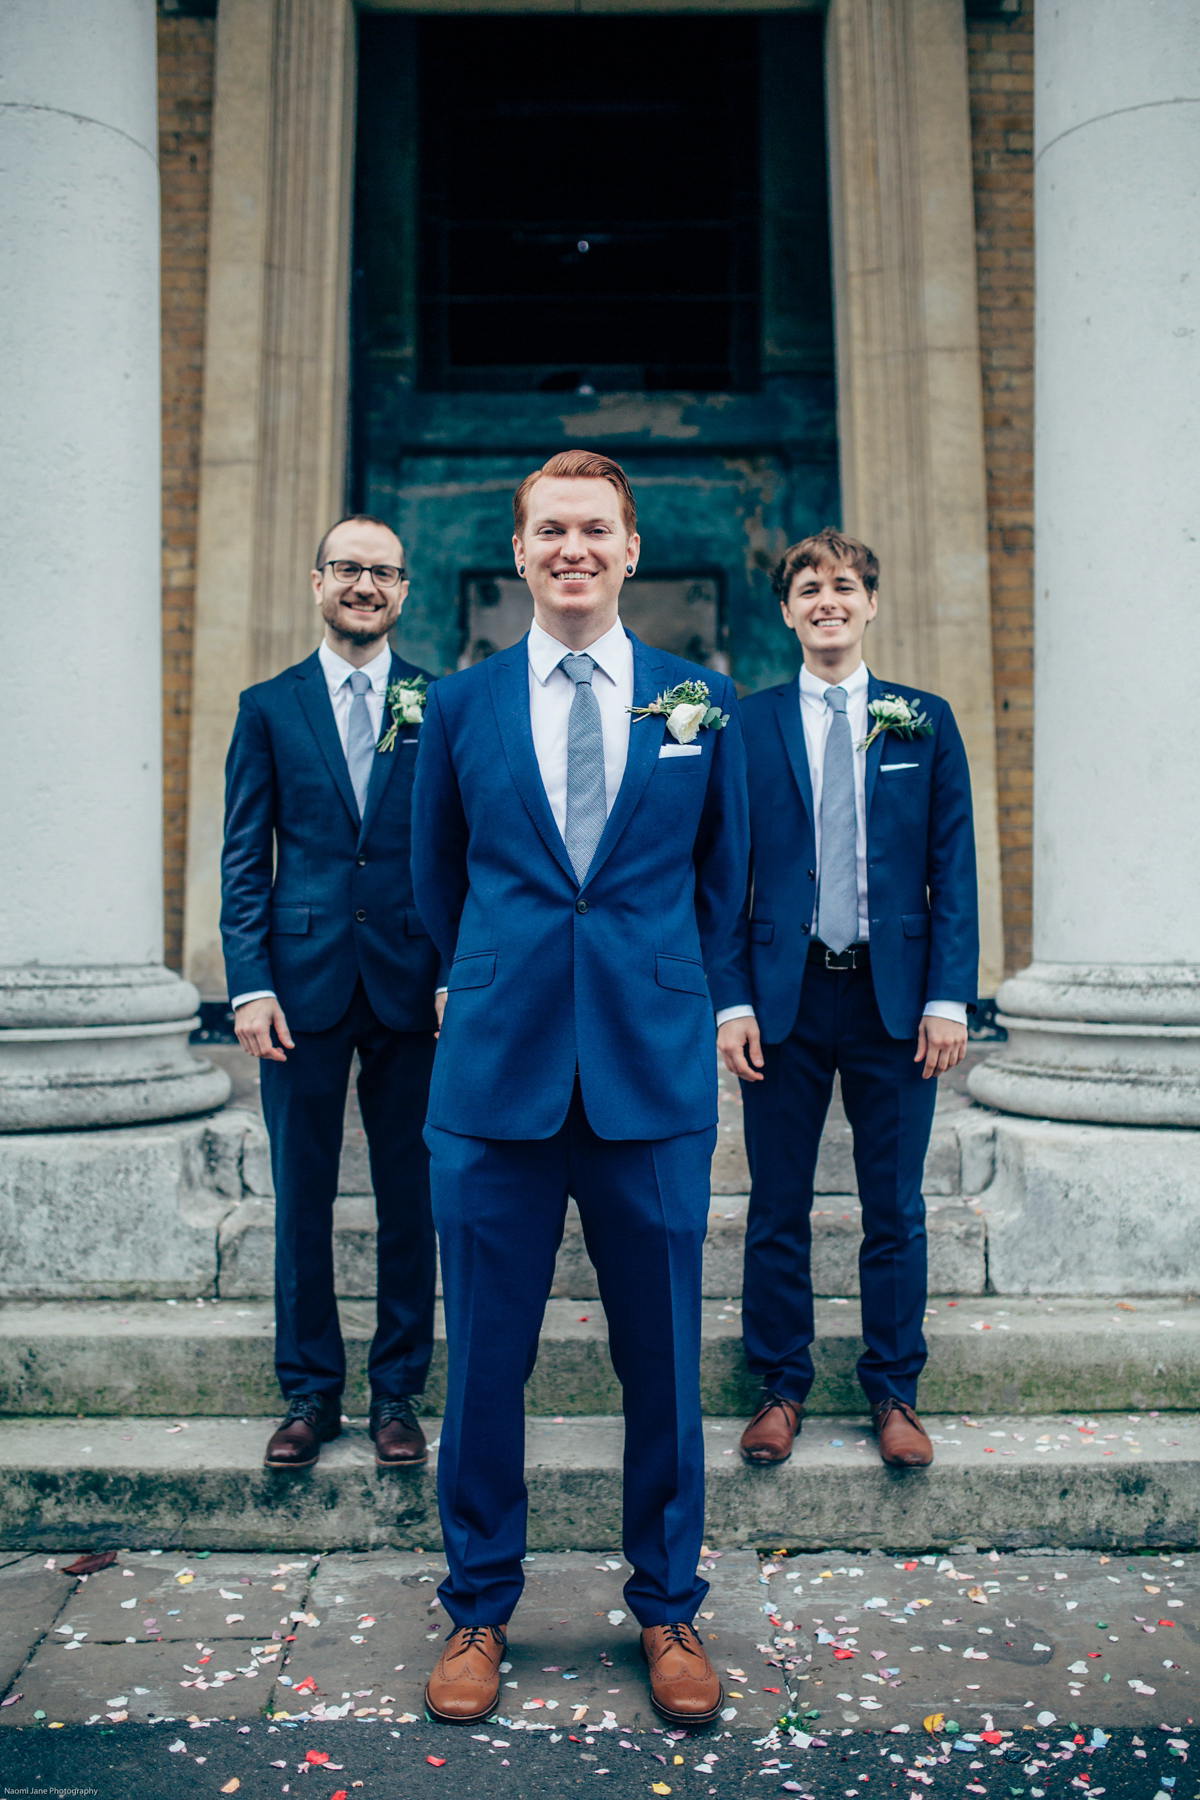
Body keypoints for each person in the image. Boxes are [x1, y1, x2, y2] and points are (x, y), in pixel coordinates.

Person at [410, 450, 749, 1728]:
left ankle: (668, 1606)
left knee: (660, 1359)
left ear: (630, 547)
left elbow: (724, 876)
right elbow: (435, 874)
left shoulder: (699, 701)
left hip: (649, 1072)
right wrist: (483, 974)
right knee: (485, 1362)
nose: (572, 549)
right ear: (519, 552)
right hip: (495, 1071)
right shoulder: (461, 704)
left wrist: (681, 987)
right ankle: (478, 1610)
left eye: (594, 530)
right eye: (550, 529)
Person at [709, 528, 978, 1470]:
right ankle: (780, 1385)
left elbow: (954, 868)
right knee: (777, 1204)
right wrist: (729, 1002)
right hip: (781, 996)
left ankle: (894, 1388)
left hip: (894, 1000)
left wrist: (950, 997)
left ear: (871, 604)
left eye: (848, 585)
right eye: (810, 587)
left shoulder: (924, 720)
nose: (830, 599)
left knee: (892, 1208)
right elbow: (722, 874)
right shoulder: (747, 722)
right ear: (787, 611)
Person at [221, 515, 441, 1472]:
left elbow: (461, 853)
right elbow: (243, 857)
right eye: (347, 568)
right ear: (317, 583)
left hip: (411, 987)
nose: (364, 584)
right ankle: (310, 1394)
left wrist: (453, 973)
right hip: (298, 987)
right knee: (303, 1197)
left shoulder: (445, 704)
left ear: (403, 591)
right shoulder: (266, 708)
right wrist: (248, 984)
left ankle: (398, 1392)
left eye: (382, 572)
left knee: (412, 1198)